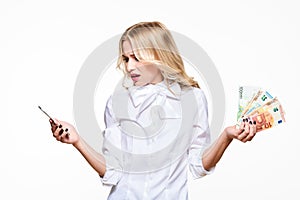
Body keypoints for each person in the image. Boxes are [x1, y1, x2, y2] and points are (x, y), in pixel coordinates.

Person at [50, 21, 257, 199]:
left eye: (137, 58)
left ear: (160, 56)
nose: (130, 67)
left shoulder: (192, 99)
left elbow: (198, 166)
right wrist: (77, 140)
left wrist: (227, 136)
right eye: (126, 59)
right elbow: (113, 172)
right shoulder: (115, 103)